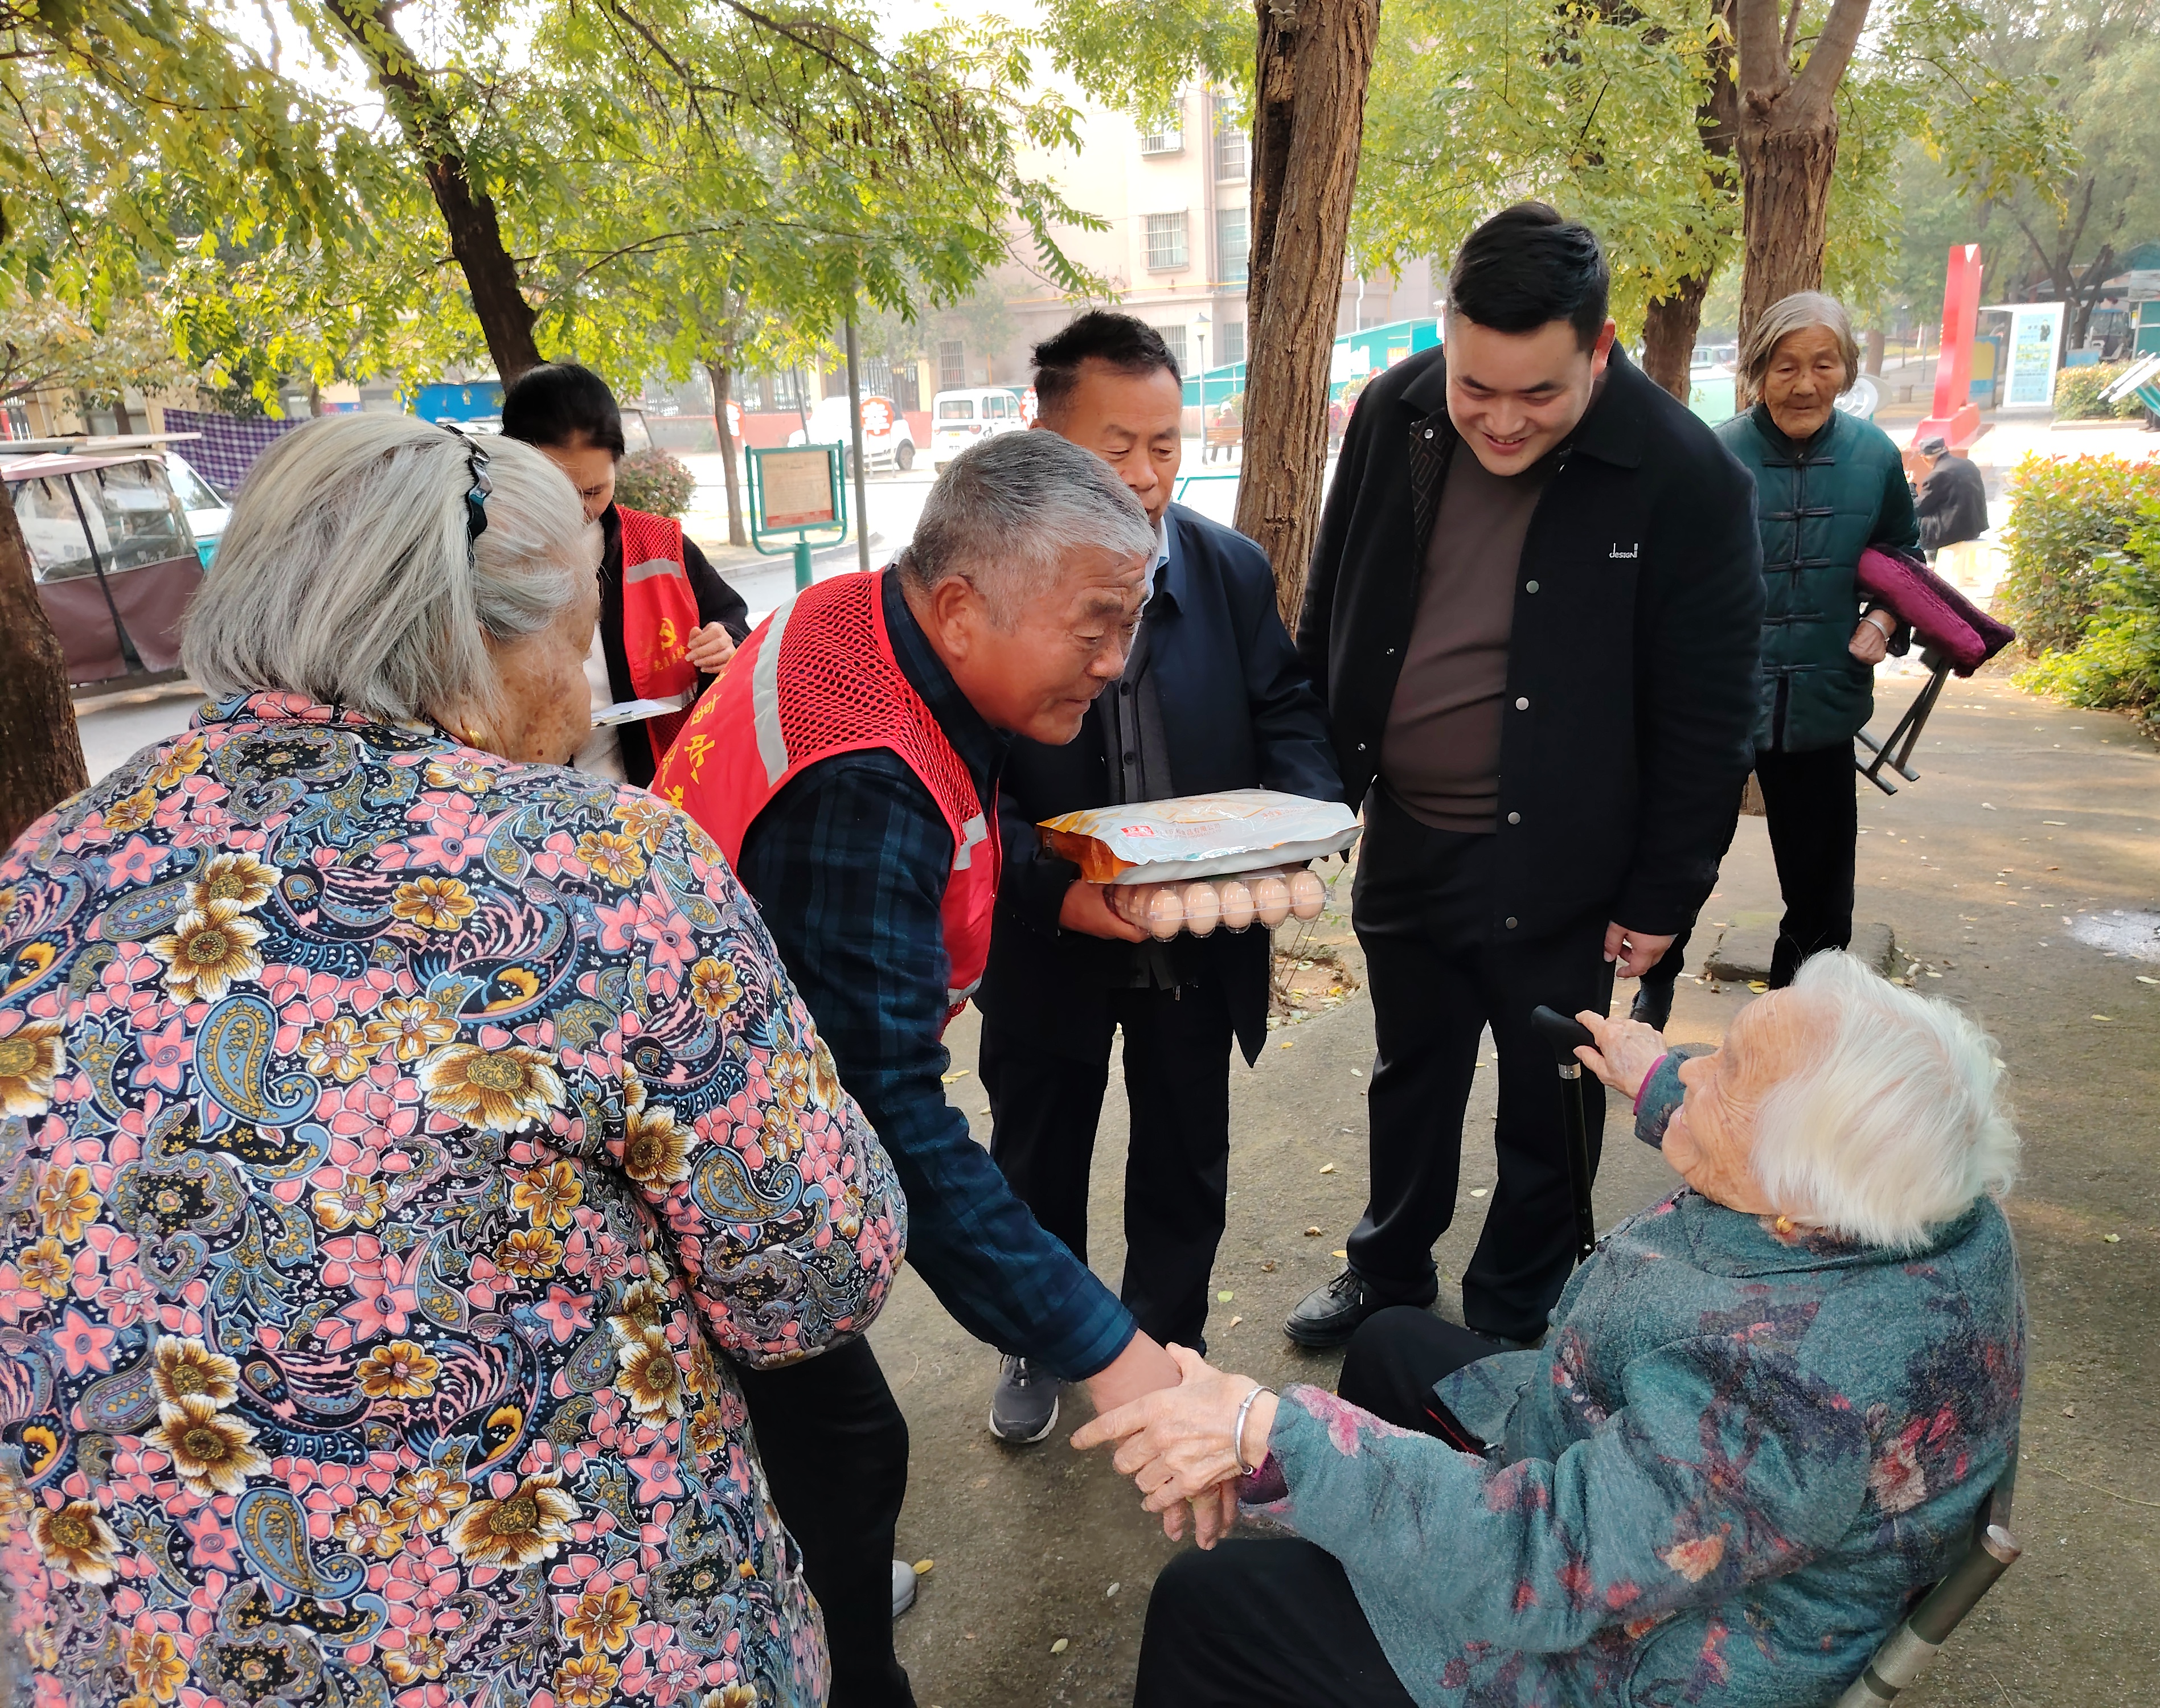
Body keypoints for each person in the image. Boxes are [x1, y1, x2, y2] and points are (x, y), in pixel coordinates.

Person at [0, 415, 905, 1708]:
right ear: (478, 639)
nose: (588, 686)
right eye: (579, 631)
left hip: (145, 1658)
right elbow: (815, 1277)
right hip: (575, 1653)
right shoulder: (605, 870)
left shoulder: (42, 873)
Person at [1076, 950, 2025, 1708]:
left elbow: (1554, 1563)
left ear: (1800, 1187)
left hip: (1643, 1650)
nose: (1694, 1071)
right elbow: (1784, 1151)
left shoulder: (1789, 1396)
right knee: (1390, 1341)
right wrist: (1657, 1083)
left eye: (1722, 1075)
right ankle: (1364, 1584)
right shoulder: (1923, 1203)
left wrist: (1262, 1437)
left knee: (1210, 1606)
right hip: (1656, 1485)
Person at [650, 429, 1183, 1707]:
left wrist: (1056, 888)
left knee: (827, 1445)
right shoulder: (862, 783)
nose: (1116, 667)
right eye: (1095, 627)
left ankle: (809, 1586)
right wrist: (1106, 1350)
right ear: (959, 606)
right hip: (703, 1145)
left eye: (1132, 622)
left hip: (708, 1078)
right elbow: (890, 1117)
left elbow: (962, 803)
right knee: (841, 1448)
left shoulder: (861, 616)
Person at [1282, 202, 1764, 1352]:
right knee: (1410, 1071)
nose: (1499, 420)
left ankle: (1513, 1309)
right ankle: (1387, 1268)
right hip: (1408, 831)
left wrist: (1661, 898)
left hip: (1571, 861)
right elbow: (1332, 602)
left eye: (1536, 394)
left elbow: (1708, 717)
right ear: (1444, 343)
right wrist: (1305, 785)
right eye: (1473, 387)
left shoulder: (1681, 474)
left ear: (1598, 350)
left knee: (1547, 1100)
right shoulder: (1394, 411)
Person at [975, 313, 1338, 1445]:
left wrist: (1295, 817)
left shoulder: (1226, 570)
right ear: (1042, 436)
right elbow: (961, 787)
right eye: (1111, 446)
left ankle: (1165, 1346)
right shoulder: (982, 590)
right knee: (1038, 1157)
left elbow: (1282, 708)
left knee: (1186, 1159)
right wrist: (1048, 887)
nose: (1140, 476)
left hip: (1194, 938)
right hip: (1050, 942)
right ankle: (1039, 1340)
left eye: (1164, 447)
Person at [1634, 294, 1920, 1027]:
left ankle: (1796, 1024)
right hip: (1718, 703)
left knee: (1822, 890)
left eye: (1823, 365)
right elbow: (1666, 576)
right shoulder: (1716, 453)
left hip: (1824, 701)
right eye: (1785, 366)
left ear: (1846, 370)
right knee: (1683, 861)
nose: (1804, 384)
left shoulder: (1875, 457)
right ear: (1756, 371)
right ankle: (1655, 983)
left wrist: (1883, 620)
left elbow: (1902, 559)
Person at [501, 362, 749, 787]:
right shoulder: (486, 557)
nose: (577, 509)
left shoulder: (662, 547)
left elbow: (734, 626)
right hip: (531, 797)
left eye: (595, 491)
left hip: (653, 794)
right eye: (557, 491)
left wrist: (725, 642)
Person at [1911, 433, 1988, 558]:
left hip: (1953, 532)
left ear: (1924, 458)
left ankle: (1929, 557)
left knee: (1913, 520)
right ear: (1946, 449)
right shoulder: (1969, 465)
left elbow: (1918, 509)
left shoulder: (1938, 474)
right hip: (1975, 528)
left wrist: (1911, 486)